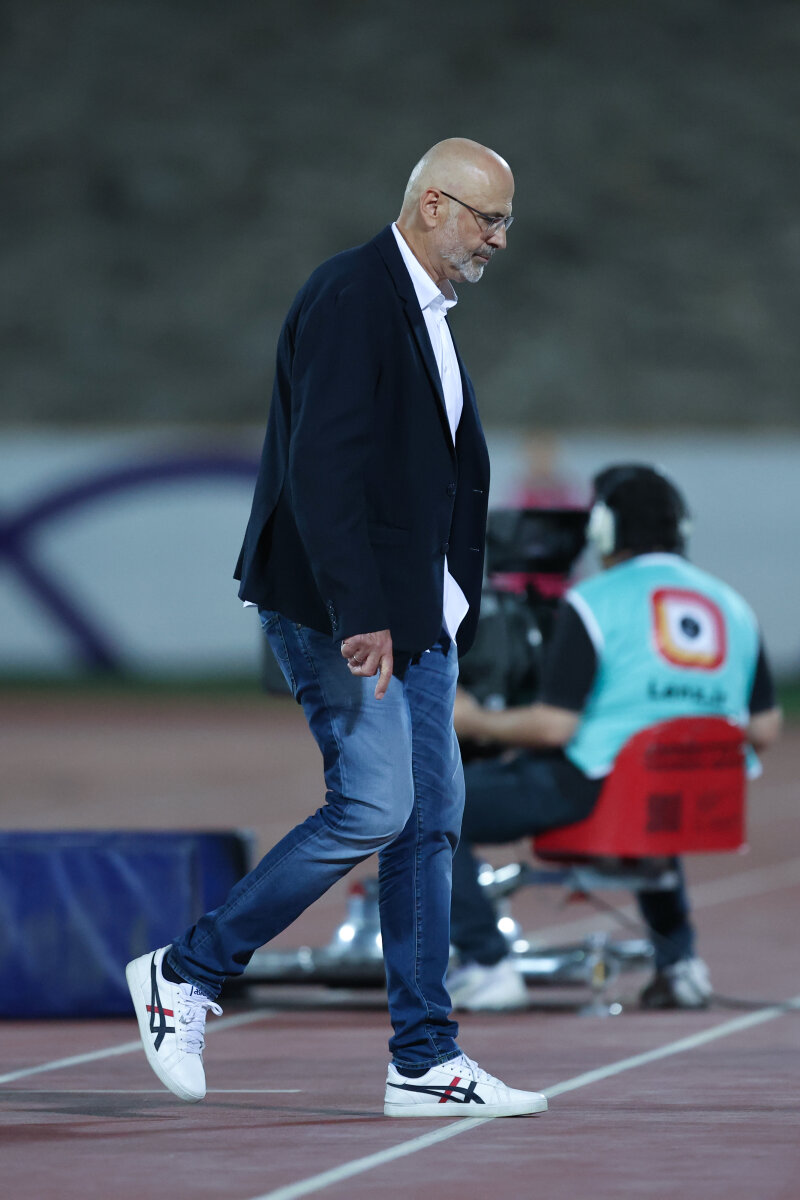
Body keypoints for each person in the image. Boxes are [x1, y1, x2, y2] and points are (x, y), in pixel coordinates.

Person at [126, 138, 548, 1119]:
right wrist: (363, 612)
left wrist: (442, 606)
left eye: (506, 221)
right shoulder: (355, 296)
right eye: (488, 218)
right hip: (345, 614)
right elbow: (322, 470)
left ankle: (423, 1059)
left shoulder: (420, 309)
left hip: (417, 619)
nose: (498, 238)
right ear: (432, 205)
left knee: (429, 824)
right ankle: (186, 973)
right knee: (371, 808)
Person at [449, 464, 782, 1012]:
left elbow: (555, 726)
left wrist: (474, 720)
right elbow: (765, 728)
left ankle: (487, 963)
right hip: (690, 798)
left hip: (595, 790)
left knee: (429, 806)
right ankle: (679, 963)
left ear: (604, 530)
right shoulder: (733, 605)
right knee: (655, 785)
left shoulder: (594, 602)